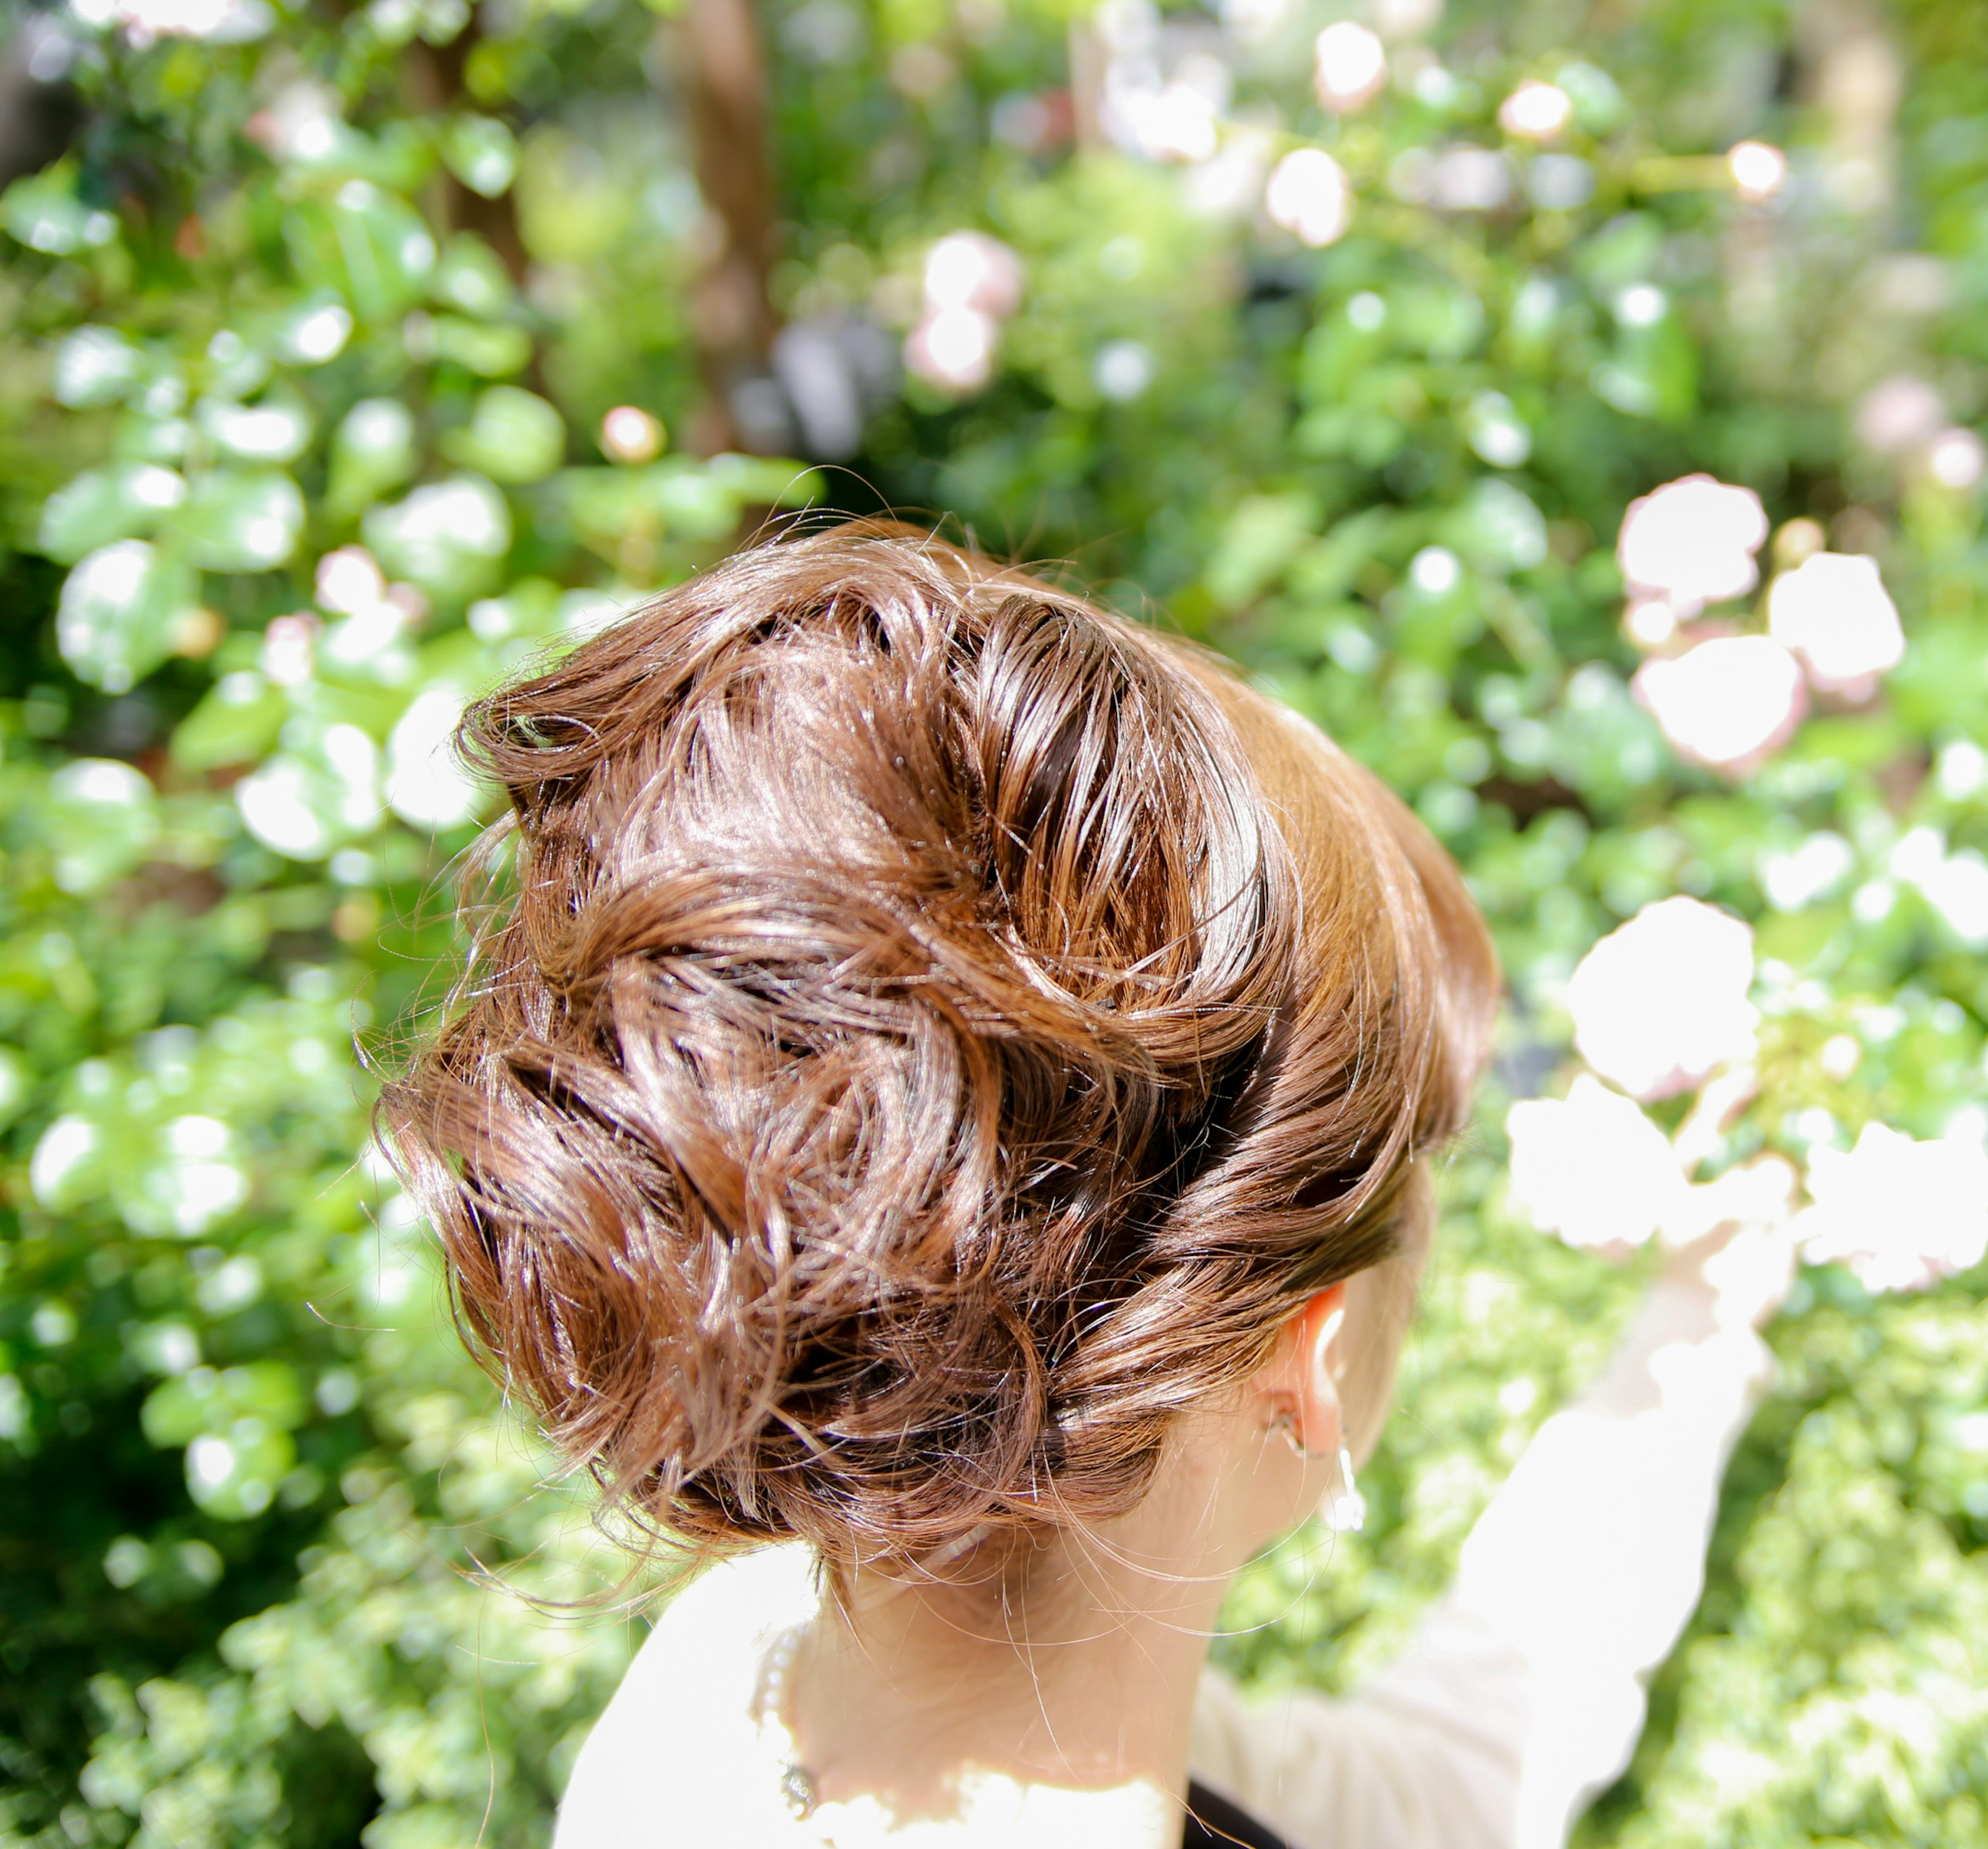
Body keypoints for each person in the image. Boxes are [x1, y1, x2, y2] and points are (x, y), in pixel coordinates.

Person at [382, 524, 1796, 1849]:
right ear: (1303, 1355)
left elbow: (1443, 1777)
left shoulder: (739, 1663)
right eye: (1425, 1176)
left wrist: (1698, 1321)